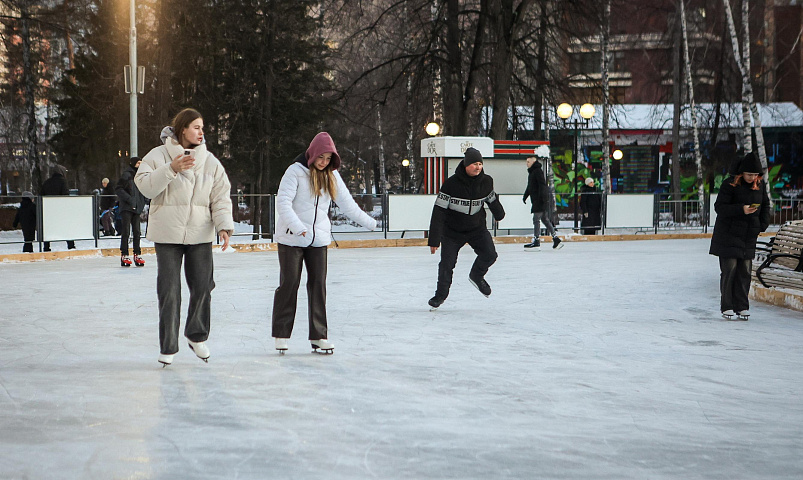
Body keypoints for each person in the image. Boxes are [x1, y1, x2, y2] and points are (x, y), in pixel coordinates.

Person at [134, 108, 234, 367]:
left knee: (203, 285)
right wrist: (171, 169)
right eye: (196, 127)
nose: (201, 132)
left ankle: (196, 335)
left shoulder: (210, 161)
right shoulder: (157, 156)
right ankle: (168, 346)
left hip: (200, 233)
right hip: (168, 233)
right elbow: (144, 186)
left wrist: (223, 226)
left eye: (202, 127)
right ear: (182, 129)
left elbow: (220, 197)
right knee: (169, 290)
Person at [272, 132, 377, 355]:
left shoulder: (332, 176)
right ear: (312, 153)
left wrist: (369, 222)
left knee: (318, 285)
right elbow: (283, 203)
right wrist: (298, 226)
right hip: (292, 238)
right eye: (321, 157)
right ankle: (281, 334)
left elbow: (347, 205)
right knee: (290, 283)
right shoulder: (295, 172)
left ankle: (319, 336)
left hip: (318, 239)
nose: (324, 162)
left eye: (329, 158)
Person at [427, 147, 505, 309]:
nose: (478, 167)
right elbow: (439, 212)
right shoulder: (450, 184)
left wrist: (499, 214)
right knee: (447, 264)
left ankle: (476, 275)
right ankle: (440, 295)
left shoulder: (486, 181)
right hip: (452, 232)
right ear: (465, 164)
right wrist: (434, 238)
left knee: (490, 255)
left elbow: (492, 199)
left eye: (480, 164)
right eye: (474, 164)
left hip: (476, 229)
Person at [709, 152, 770, 321]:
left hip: (748, 236)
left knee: (745, 272)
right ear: (741, 173)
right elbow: (720, 207)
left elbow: (766, 206)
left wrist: (761, 225)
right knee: (730, 270)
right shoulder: (730, 184)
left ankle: (742, 306)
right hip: (728, 235)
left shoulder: (760, 185)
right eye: (749, 174)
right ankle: (727, 306)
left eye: (755, 175)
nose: (752, 178)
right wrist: (740, 209)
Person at [522, 147, 562, 250]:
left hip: (539, 200)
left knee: (536, 219)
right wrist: (525, 195)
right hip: (537, 200)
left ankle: (536, 240)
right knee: (544, 219)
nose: (526, 163)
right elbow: (530, 186)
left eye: (528, 161)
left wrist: (543, 199)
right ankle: (555, 238)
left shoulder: (537, 171)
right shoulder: (532, 172)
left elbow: (542, 185)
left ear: (533, 161)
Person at [115, 157, 147, 267]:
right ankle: (124, 254)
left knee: (137, 232)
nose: (140, 165)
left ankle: (137, 254)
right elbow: (118, 188)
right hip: (127, 208)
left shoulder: (140, 175)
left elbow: (143, 190)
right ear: (133, 163)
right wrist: (129, 199)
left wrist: (144, 200)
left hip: (137, 207)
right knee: (126, 231)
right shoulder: (127, 174)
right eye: (138, 163)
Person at [41, 166, 76, 251]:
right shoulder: (63, 182)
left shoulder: (47, 182)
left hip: (49, 210)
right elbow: (65, 195)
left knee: (48, 228)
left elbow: (41, 195)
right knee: (67, 227)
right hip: (61, 209)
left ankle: (46, 246)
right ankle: (71, 245)